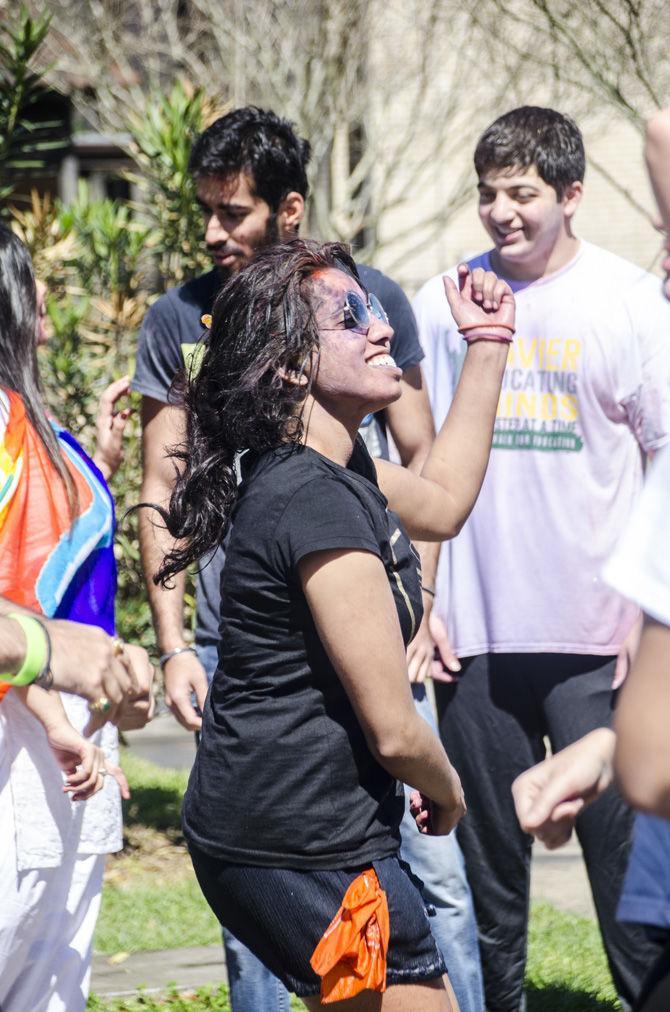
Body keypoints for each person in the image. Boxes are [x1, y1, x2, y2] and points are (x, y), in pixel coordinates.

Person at [133, 106, 483, 1012]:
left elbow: (443, 499)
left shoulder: (344, 465)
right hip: (297, 847)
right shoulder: (312, 499)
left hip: (291, 834)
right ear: (291, 365)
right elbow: (397, 729)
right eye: (352, 317)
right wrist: (448, 793)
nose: (381, 331)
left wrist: (488, 348)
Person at [412, 105, 670, 1011]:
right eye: (487, 194)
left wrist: (651, 625)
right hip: (475, 641)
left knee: (636, 896)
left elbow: (662, 460)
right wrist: (424, 598)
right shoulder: (441, 305)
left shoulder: (631, 303)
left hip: (605, 646)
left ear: (572, 194)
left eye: (521, 193)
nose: (500, 212)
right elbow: (420, 459)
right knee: (486, 895)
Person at [0, 225, 154, 1012]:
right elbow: (13, 602)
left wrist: (99, 457)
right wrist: (58, 721)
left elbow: (59, 566)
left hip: (69, 746)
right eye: (34, 285)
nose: (47, 303)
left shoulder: (35, 426)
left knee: (56, 973)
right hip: (35, 740)